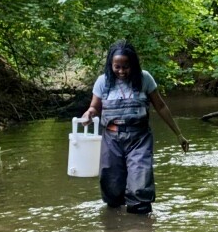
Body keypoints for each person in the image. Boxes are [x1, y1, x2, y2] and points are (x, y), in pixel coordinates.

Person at [80, 41, 189, 214]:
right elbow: (94, 107)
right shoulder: (103, 81)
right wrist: (88, 114)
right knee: (112, 188)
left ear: (134, 65)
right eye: (117, 67)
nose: (121, 71)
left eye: (126, 67)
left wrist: (179, 134)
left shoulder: (145, 78)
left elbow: (160, 106)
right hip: (111, 139)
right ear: (111, 64)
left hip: (139, 139)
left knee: (140, 187)